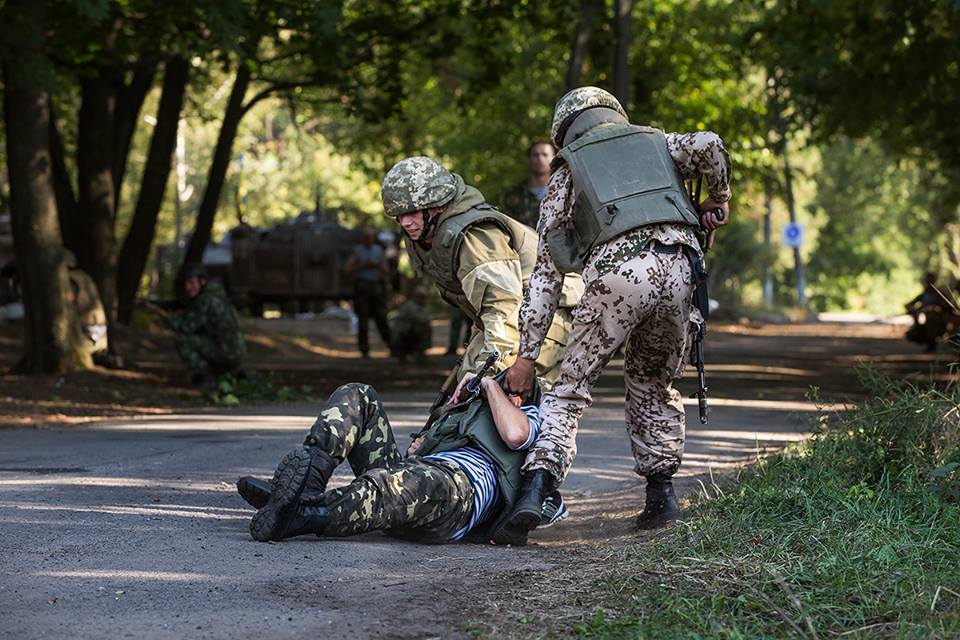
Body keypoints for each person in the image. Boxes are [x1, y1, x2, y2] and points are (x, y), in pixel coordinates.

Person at [503, 86, 732, 533]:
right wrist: (718, 197)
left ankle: (535, 489)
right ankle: (661, 497)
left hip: (617, 276)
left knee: (570, 390)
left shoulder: (567, 173)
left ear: (566, 131)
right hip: (680, 271)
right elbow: (710, 143)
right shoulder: (660, 143)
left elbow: (547, 274)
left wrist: (527, 355)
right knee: (653, 382)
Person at [241, 367, 560, 545]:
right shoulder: (469, 412)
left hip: (456, 499)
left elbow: (515, 435)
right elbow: (419, 452)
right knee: (359, 394)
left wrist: (490, 385)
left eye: (514, 389)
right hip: (412, 480)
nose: (507, 390)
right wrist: (447, 413)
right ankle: (307, 486)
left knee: (408, 481)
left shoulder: (531, 417)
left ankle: (298, 516)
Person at [379, 156, 584, 386]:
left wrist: (490, 372)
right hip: (511, 318)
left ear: (437, 206)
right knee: (461, 400)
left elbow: (503, 306)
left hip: (543, 318)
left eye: (413, 212)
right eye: (399, 215)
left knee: (507, 394)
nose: (406, 222)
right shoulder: (428, 235)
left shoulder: (474, 236)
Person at [146, 263, 246, 389]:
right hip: (235, 352)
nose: (188, 287)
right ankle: (231, 372)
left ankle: (205, 377)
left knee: (183, 340)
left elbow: (186, 327)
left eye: (192, 283)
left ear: (202, 282)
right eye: (186, 283)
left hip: (227, 351)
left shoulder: (205, 300)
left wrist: (161, 314)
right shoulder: (216, 295)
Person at [347, 227, 392, 358]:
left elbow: (386, 270)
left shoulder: (378, 250)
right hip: (362, 287)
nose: (368, 240)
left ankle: (392, 346)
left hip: (376, 287)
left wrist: (377, 265)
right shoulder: (358, 251)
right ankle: (364, 350)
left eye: (370, 237)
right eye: (366, 237)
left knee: (381, 318)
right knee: (363, 319)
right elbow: (348, 269)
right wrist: (362, 265)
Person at [502, 141, 556, 228]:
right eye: (535, 155)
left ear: (553, 158)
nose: (540, 159)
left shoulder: (562, 191)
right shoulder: (514, 195)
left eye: (545, 155)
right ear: (529, 159)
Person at [905, 273, 954, 353]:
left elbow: (949, 307)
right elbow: (909, 305)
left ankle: (932, 343)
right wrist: (915, 310)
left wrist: (937, 309)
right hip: (924, 321)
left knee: (932, 320)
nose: (929, 283)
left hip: (939, 322)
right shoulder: (924, 295)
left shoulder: (940, 294)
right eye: (928, 281)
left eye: (931, 281)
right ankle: (929, 341)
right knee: (912, 334)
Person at [390, 286, 432, 362]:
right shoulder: (410, 306)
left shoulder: (420, 306)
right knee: (423, 328)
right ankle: (409, 354)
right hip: (403, 333)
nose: (422, 299)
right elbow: (420, 319)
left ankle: (419, 353)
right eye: (420, 297)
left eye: (423, 297)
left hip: (409, 332)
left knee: (425, 328)